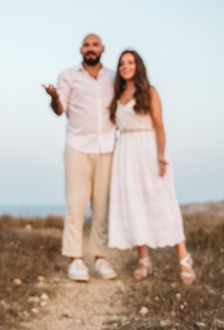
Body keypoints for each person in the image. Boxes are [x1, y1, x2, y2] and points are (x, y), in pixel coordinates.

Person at [108, 50, 196, 284]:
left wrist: (160, 156)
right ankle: (143, 260)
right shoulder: (118, 94)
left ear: (138, 65)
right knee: (133, 203)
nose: (126, 66)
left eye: (130, 62)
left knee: (162, 200)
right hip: (125, 150)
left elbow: (159, 126)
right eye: (121, 63)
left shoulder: (149, 91)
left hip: (148, 148)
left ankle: (184, 258)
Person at [43, 34, 117, 282]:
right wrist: (54, 98)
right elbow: (59, 109)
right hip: (78, 146)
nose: (91, 48)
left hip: (108, 147)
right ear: (81, 49)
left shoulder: (113, 78)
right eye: (87, 45)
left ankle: (100, 258)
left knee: (102, 206)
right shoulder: (68, 75)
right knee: (76, 204)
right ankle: (75, 260)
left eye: (95, 45)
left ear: (103, 49)